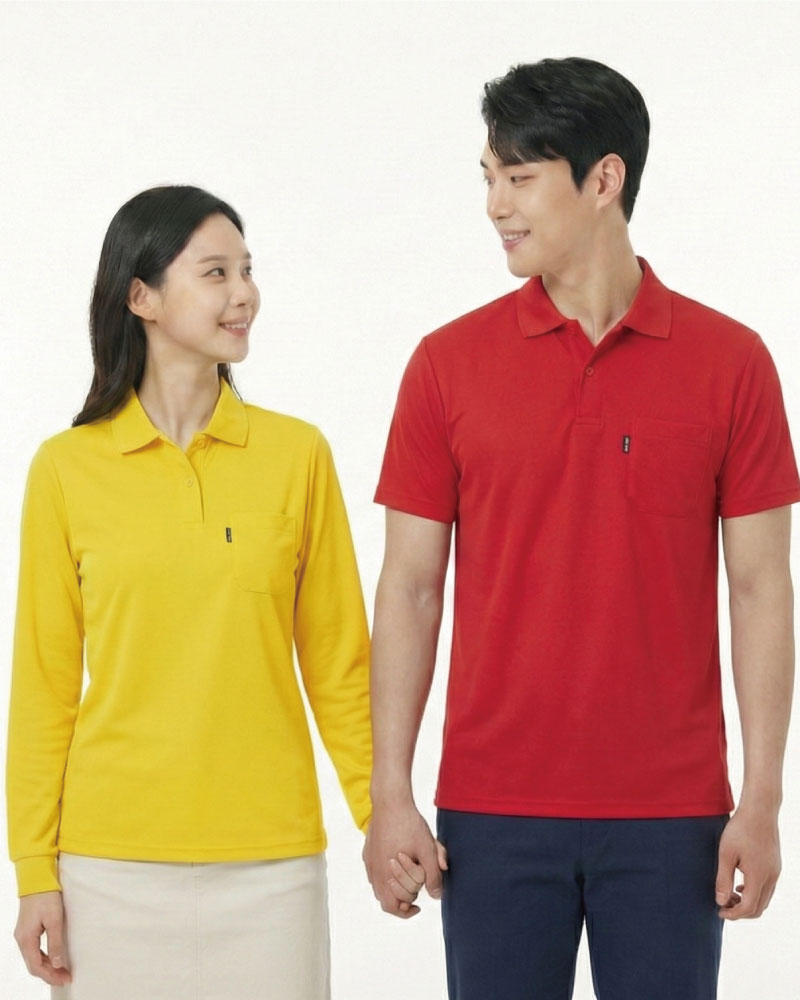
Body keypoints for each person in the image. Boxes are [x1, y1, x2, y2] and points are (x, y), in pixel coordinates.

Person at [363, 57, 799, 999]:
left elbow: (762, 588)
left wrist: (762, 799)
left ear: (604, 180)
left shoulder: (733, 363)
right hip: (490, 811)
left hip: (674, 815)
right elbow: (410, 587)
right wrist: (388, 793)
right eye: (489, 177)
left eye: (519, 178)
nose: (495, 205)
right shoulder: (445, 365)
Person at [7, 185, 371, 1000]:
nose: (244, 294)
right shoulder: (66, 470)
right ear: (140, 297)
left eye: (247, 270)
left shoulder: (297, 456)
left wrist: (380, 816)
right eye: (215, 273)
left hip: (272, 867)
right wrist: (35, 870)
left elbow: (340, 665)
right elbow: (44, 687)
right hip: (107, 871)